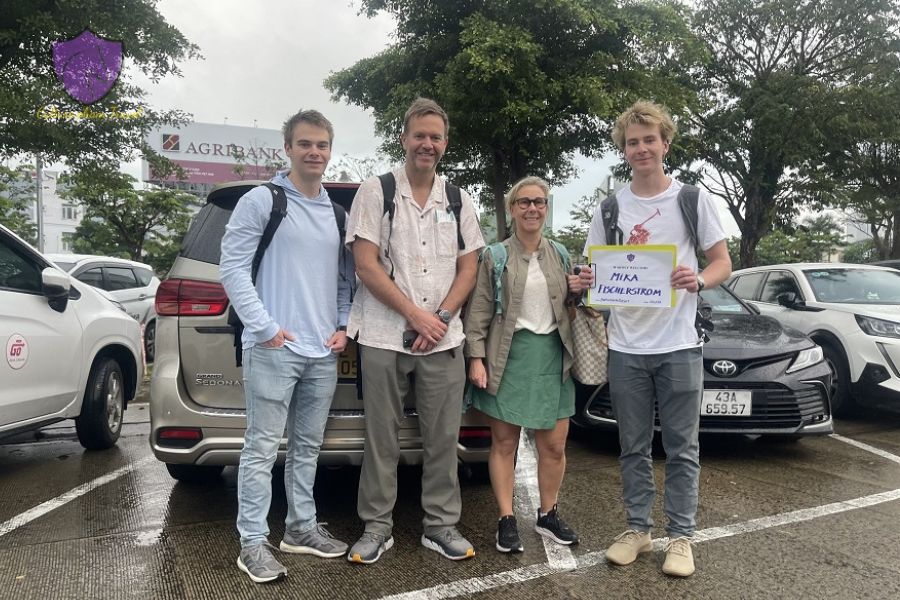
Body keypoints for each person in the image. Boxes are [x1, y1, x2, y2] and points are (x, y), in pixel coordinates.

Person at [583, 100, 731, 577]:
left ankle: (682, 536)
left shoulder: (691, 199)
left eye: (650, 139)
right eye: (633, 142)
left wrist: (699, 279)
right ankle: (638, 529)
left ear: (665, 144)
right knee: (633, 446)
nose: (641, 148)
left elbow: (722, 262)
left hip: (680, 343)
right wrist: (584, 282)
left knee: (683, 447)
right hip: (626, 346)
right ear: (624, 150)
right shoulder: (610, 207)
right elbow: (594, 271)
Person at [344, 97, 485, 564]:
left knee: (442, 438)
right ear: (404, 138)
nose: (427, 143)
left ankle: (440, 525)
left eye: (435, 137)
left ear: (445, 143)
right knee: (381, 438)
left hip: (443, 339)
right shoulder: (376, 191)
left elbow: (469, 268)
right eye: (419, 135)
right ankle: (376, 527)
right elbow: (366, 264)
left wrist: (438, 318)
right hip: (384, 335)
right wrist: (414, 314)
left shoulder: (458, 199)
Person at [220, 109, 355, 584]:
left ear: (330, 150)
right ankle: (252, 543)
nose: (314, 152)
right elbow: (232, 269)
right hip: (274, 348)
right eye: (305, 144)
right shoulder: (263, 200)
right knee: (260, 449)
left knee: (307, 449)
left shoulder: (336, 214)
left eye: (322, 145)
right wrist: (266, 328)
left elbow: (344, 281)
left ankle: (300, 529)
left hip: (322, 351)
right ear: (288, 148)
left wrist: (342, 326)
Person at [464, 176, 593, 553]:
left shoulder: (561, 254)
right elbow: (479, 310)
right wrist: (476, 357)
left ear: (546, 208)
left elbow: (571, 309)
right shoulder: (495, 256)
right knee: (505, 443)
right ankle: (506, 518)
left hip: (554, 357)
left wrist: (578, 292)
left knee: (554, 446)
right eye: (524, 202)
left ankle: (548, 514)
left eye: (539, 202)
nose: (532, 208)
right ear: (512, 208)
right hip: (508, 357)